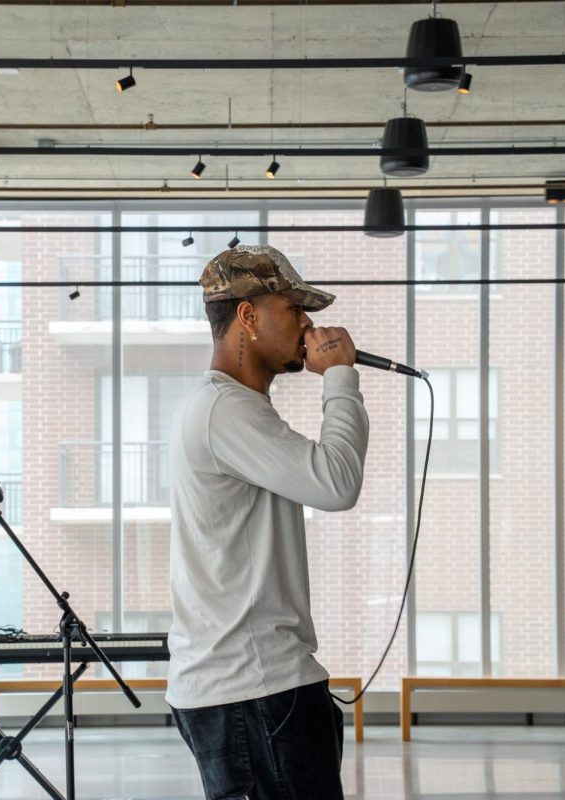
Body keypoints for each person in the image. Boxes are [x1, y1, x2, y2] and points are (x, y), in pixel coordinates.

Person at [166, 244, 370, 800]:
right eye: (293, 307)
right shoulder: (225, 410)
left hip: (253, 688)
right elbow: (336, 483)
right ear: (248, 317)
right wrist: (340, 379)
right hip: (253, 691)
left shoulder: (234, 408)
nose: (308, 323)